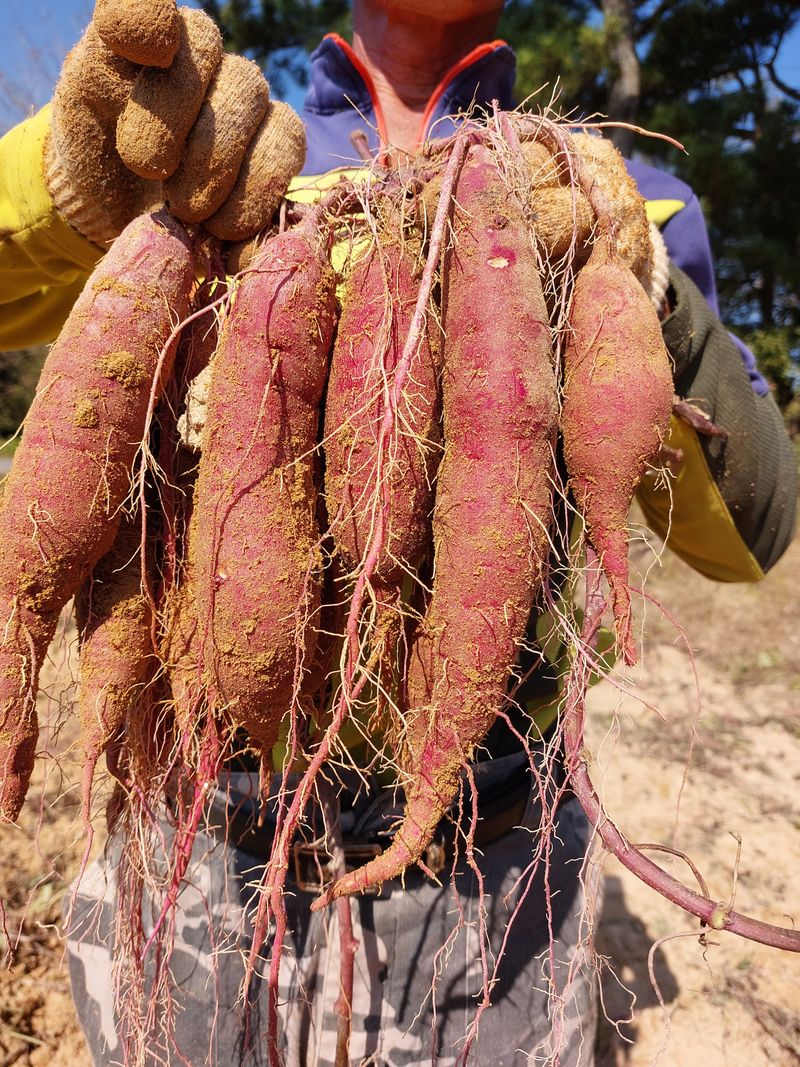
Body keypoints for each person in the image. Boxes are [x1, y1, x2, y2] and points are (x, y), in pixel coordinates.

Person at [0, 2, 795, 1065]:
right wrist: (71, 179)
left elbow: (753, 531)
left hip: (486, 855)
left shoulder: (624, 193)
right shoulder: (217, 144)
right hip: (196, 829)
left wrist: (637, 282)